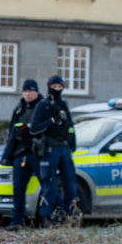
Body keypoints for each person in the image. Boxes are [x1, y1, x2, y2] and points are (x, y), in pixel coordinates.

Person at [30, 74, 78, 224]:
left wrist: (72, 144)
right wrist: (50, 121)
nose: (57, 89)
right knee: (49, 184)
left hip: (64, 148)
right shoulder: (43, 105)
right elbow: (34, 128)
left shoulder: (63, 105)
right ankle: (47, 217)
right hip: (50, 149)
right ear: (49, 87)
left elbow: (70, 126)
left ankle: (66, 214)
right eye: (54, 87)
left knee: (70, 184)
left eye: (60, 87)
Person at [0, 79, 42, 230]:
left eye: (31, 91)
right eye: (25, 91)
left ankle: (47, 220)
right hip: (20, 154)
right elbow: (12, 134)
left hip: (37, 154)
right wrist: (7, 156)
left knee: (47, 187)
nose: (28, 94)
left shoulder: (43, 107)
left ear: (37, 92)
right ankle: (17, 221)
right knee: (18, 189)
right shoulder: (19, 108)